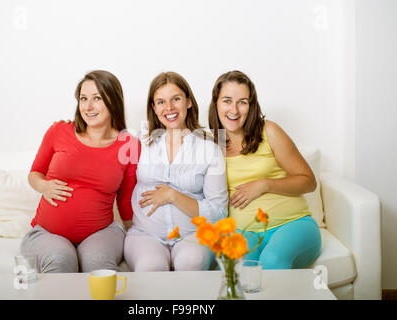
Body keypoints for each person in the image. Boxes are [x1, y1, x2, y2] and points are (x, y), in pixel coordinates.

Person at [21, 70, 140, 273]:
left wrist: (137, 237)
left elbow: (126, 200)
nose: (88, 106)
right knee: (60, 260)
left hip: (101, 233)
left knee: (98, 266)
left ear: (114, 100)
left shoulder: (128, 144)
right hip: (47, 233)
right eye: (83, 98)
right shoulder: (59, 131)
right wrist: (44, 186)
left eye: (97, 98)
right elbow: (35, 173)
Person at [208, 70, 322, 269]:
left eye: (242, 102)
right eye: (227, 100)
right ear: (216, 103)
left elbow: (309, 181)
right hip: (244, 232)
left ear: (251, 106)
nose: (234, 109)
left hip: (292, 223)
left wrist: (264, 184)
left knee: (273, 260)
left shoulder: (269, 131)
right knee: (232, 267)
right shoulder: (210, 144)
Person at [124, 71, 228, 272]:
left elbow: (219, 212)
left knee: (191, 263)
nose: (169, 107)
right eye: (161, 102)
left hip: (194, 233)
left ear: (188, 102)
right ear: (153, 108)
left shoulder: (209, 149)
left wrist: (172, 196)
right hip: (146, 234)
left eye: (176, 99)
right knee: (149, 266)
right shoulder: (141, 144)